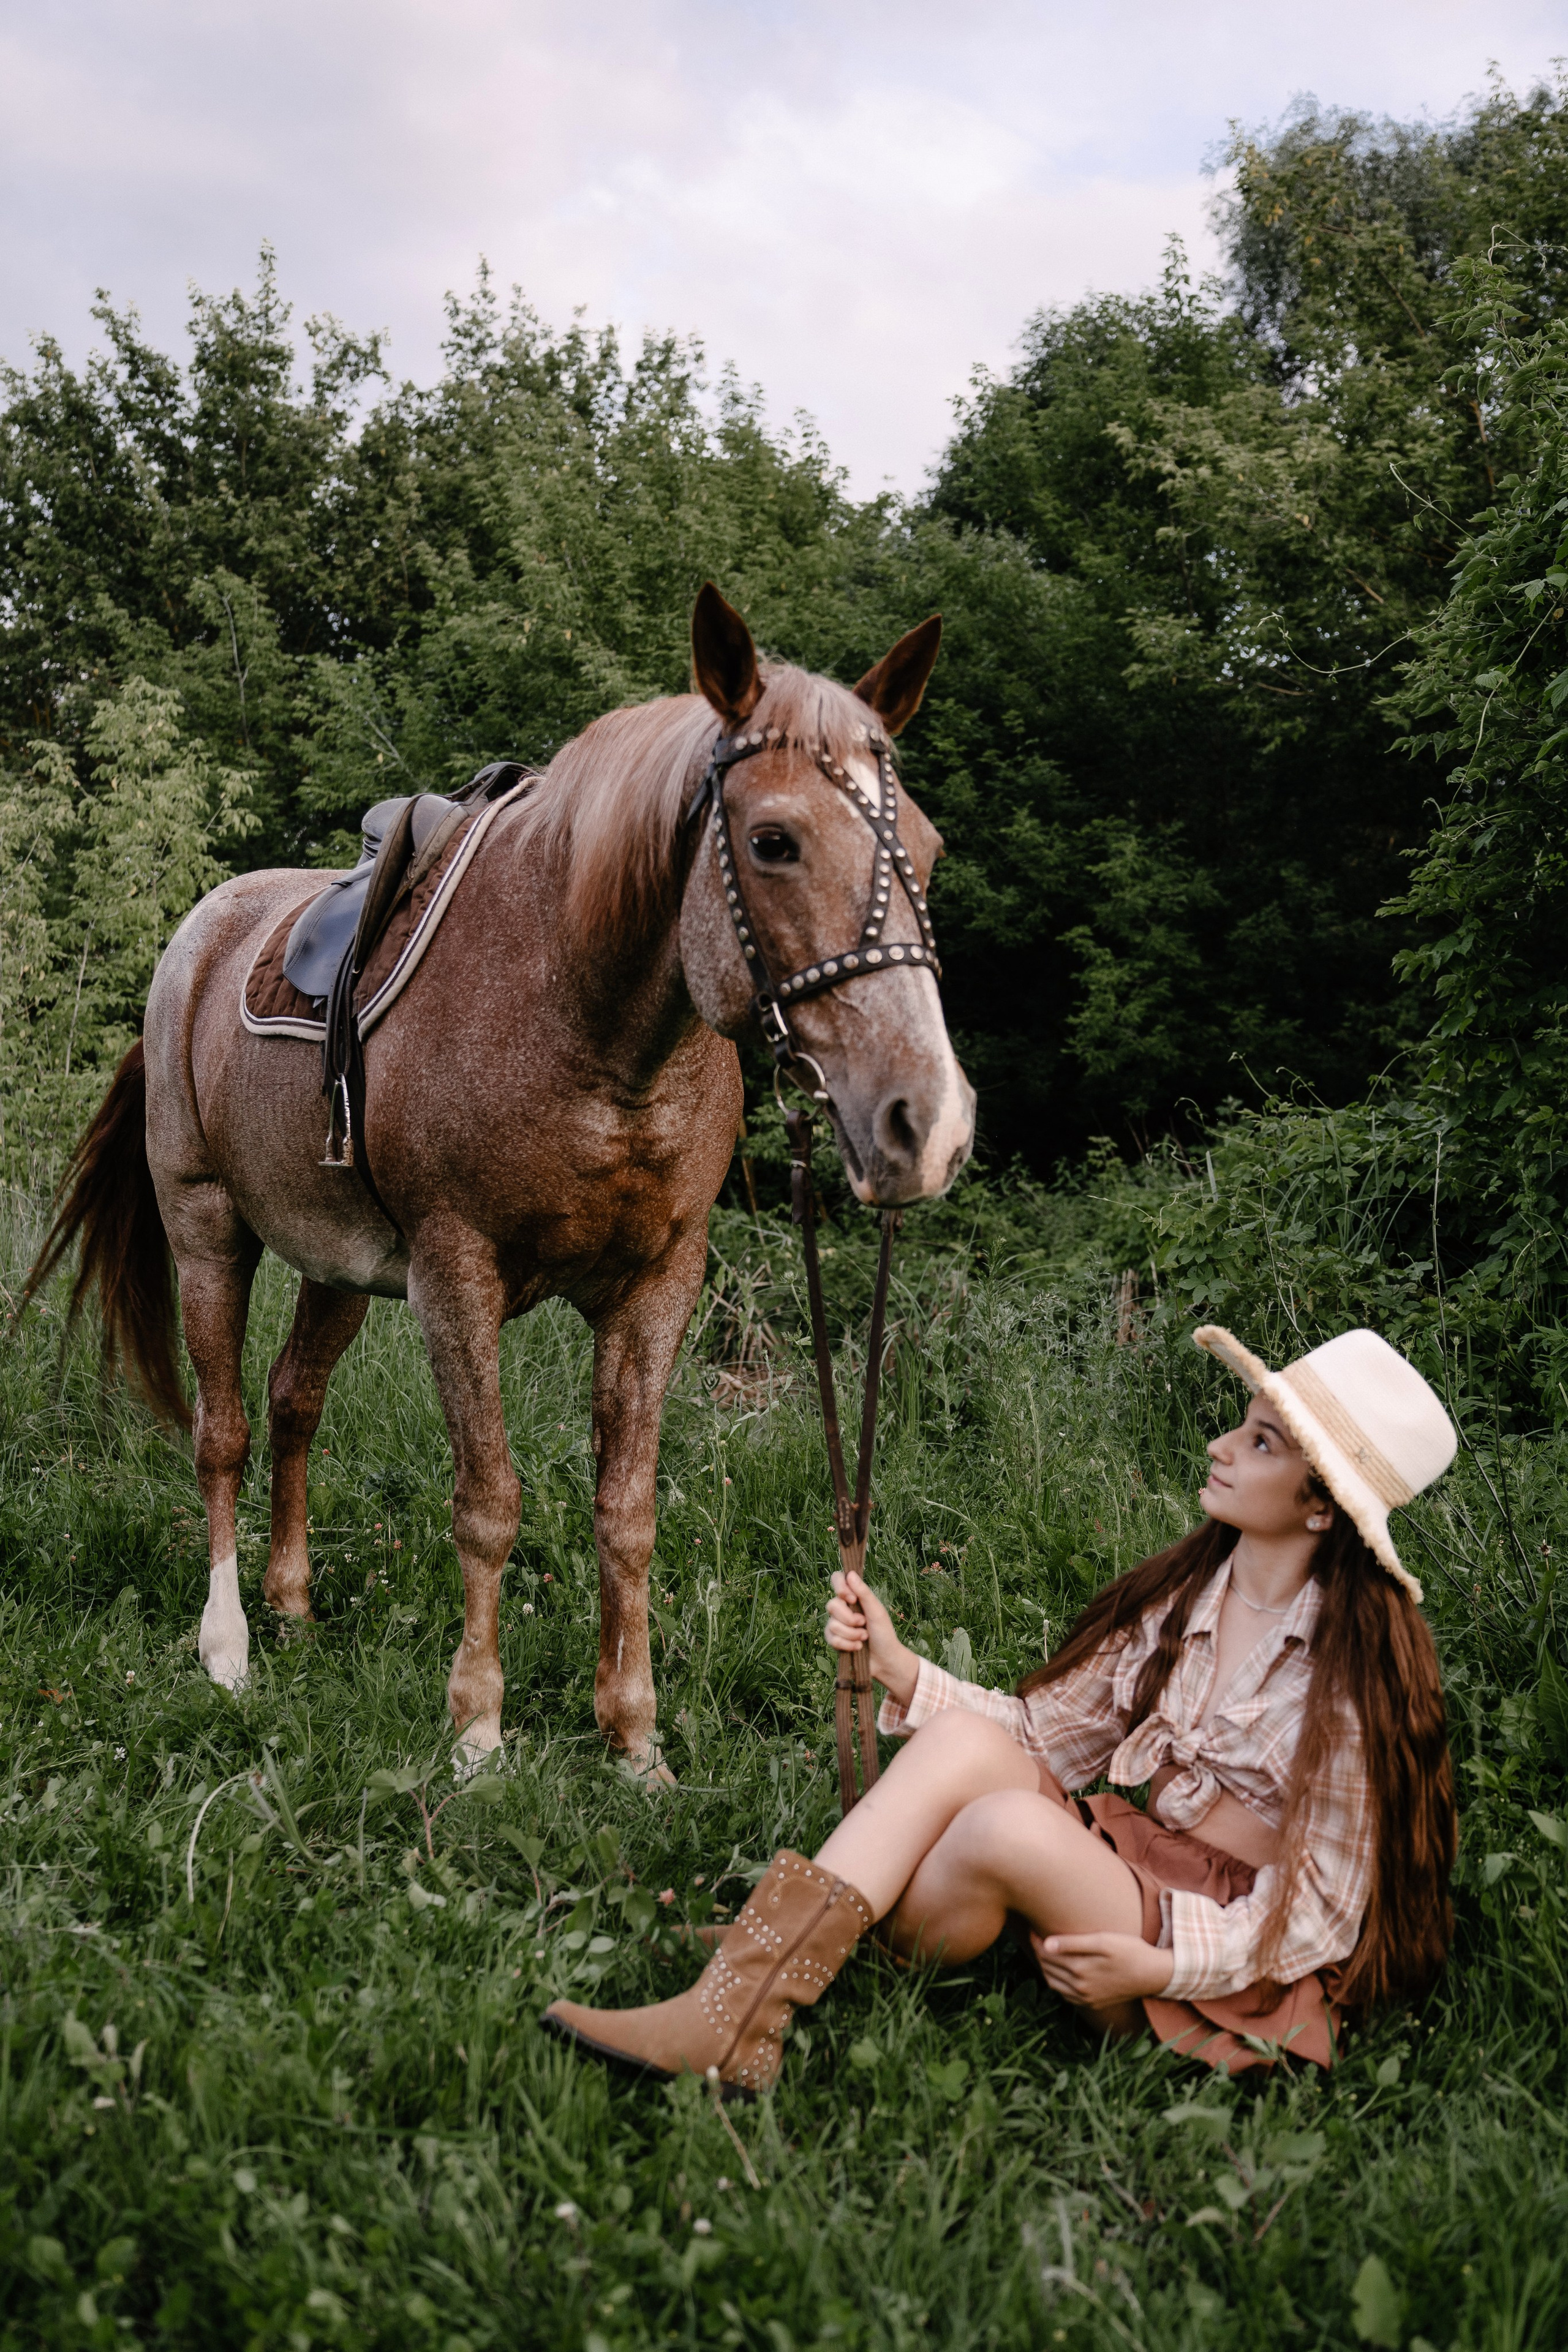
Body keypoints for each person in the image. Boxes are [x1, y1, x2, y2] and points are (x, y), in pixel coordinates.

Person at [545, 1324, 1460, 2090]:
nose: (1222, 1446)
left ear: (1323, 1511)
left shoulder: (1349, 1679)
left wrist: (1162, 1964)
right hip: (1133, 1879)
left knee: (1005, 1830)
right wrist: (901, 1668)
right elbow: (1034, 1737)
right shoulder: (1187, 1600)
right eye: (1244, 1426)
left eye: (1263, 1444)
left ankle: (770, 1959)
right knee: (960, 1744)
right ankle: (751, 1994)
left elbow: (1323, 1915)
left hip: (1218, 1959)